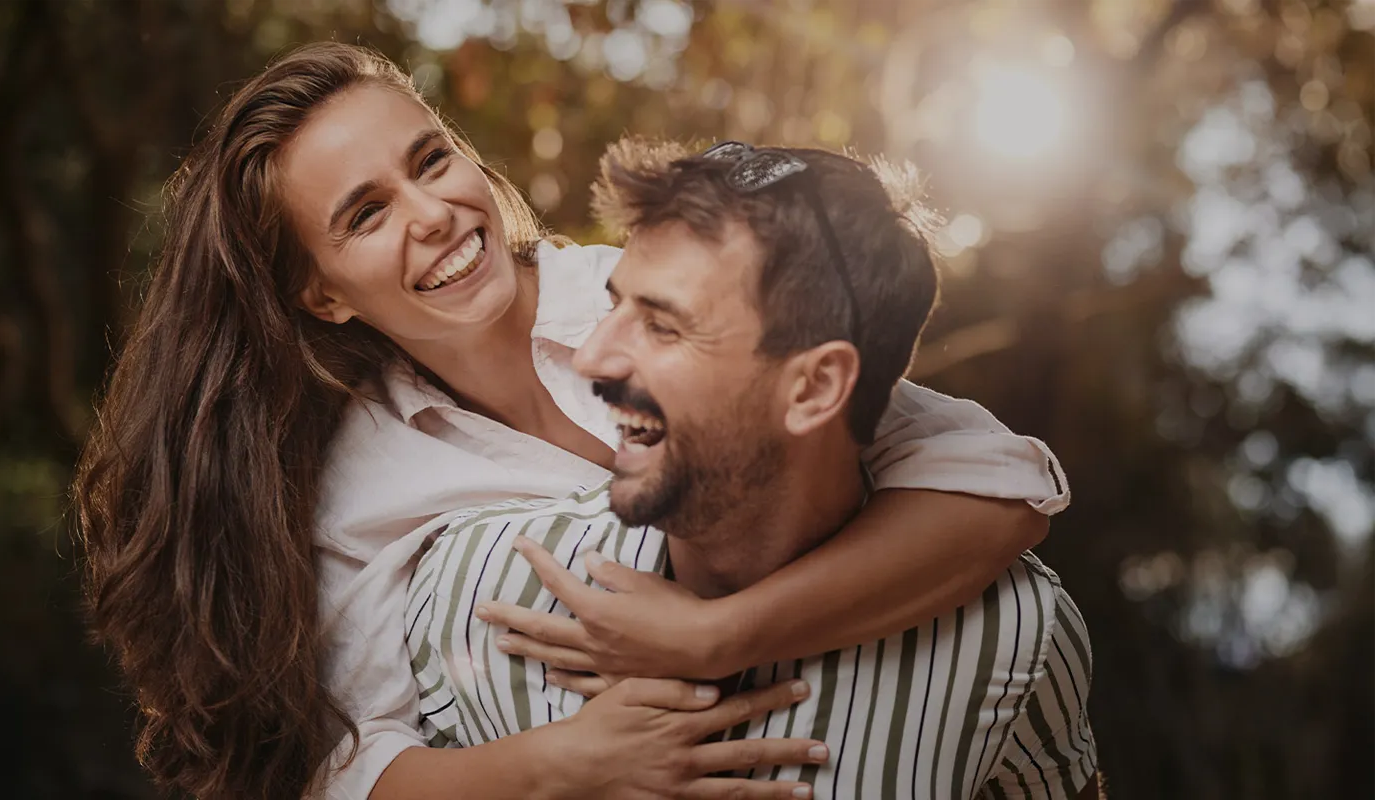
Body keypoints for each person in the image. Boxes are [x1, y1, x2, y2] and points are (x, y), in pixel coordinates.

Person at [73, 43, 1070, 799]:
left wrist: (715, 637)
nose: (432, 213)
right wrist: (560, 760)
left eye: (432, 159)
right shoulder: (364, 473)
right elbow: (350, 765)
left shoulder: (638, 292)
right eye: (366, 214)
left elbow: (1004, 483)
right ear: (322, 295)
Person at [404, 139, 1099, 798]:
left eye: (664, 325)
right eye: (615, 306)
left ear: (815, 389)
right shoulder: (471, 592)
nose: (590, 360)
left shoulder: (1016, 638)